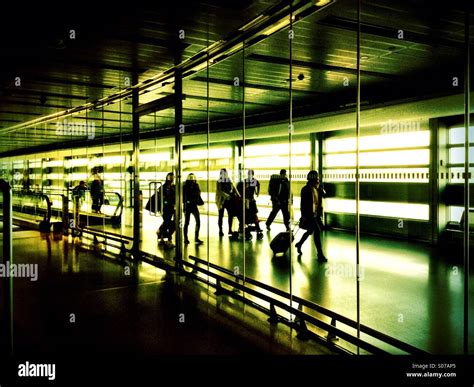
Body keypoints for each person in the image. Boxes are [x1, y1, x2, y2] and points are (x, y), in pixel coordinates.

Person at [295, 170, 328, 262]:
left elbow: (324, 195)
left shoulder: (317, 188)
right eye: (316, 178)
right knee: (316, 232)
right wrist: (303, 216)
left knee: (310, 231)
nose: (317, 180)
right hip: (310, 215)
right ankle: (320, 254)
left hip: (316, 215)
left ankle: (299, 244)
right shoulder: (305, 189)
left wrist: (320, 188)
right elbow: (303, 204)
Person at [237, 169, 262, 234]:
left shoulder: (252, 181)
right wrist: (257, 192)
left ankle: (257, 227)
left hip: (250, 199)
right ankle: (243, 226)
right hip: (246, 200)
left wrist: (257, 192)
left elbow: (258, 185)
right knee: (247, 213)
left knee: (253, 213)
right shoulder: (246, 181)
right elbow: (240, 189)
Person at [215, 168, 239, 237]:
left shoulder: (228, 180)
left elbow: (234, 187)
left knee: (230, 215)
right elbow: (219, 191)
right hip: (221, 201)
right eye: (223, 173)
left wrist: (238, 195)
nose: (225, 174)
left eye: (225, 173)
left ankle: (230, 229)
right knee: (221, 216)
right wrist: (227, 195)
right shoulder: (219, 181)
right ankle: (220, 230)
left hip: (229, 201)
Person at [183, 173, 204, 245]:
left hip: (193, 206)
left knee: (197, 221)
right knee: (187, 223)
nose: (193, 180)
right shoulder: (186, 186)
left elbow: (198, 194)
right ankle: (186, 238)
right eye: (191, 178)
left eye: (193, 178)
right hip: (188, 206)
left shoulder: (195, 186)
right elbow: (185, 196)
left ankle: (196, 237)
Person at [157, 172, 176, 248]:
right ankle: (168, 239)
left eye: (172, 177)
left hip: (171, 207)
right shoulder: (165, 187)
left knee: (167, 223)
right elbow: (163, 197)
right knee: (167, 223)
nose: (171, 179)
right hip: (166, 208)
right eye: (170, 177)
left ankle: (160, 234)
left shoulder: (173, 187)